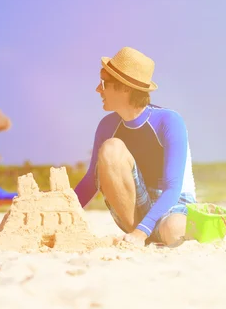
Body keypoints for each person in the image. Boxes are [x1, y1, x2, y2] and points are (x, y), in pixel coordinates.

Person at [74, 47, 197, 247]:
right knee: (111, 148)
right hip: (135, 208)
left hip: (173, 202)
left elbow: (173, 187)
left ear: (125, 88)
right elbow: (91, 182)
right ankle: (137, 235)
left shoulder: (169, 121)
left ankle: (143, 235)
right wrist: (62, 211)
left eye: (104, 82)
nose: (98, 89)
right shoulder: (107, 126)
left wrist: (143, 231)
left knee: (173, 230)